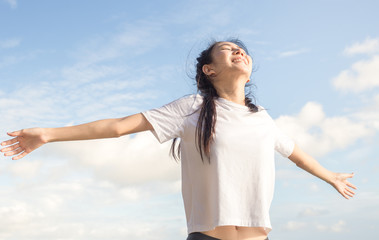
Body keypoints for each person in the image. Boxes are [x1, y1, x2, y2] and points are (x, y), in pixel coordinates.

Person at [0, 39, 356, 240]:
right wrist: (48, 134)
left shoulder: (261, 118)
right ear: (209, 69)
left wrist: (332, 177)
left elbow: (296, 153)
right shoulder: (194, 107)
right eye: (228, 49)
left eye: (243, 50)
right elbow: (119, 127)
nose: (239, 52)